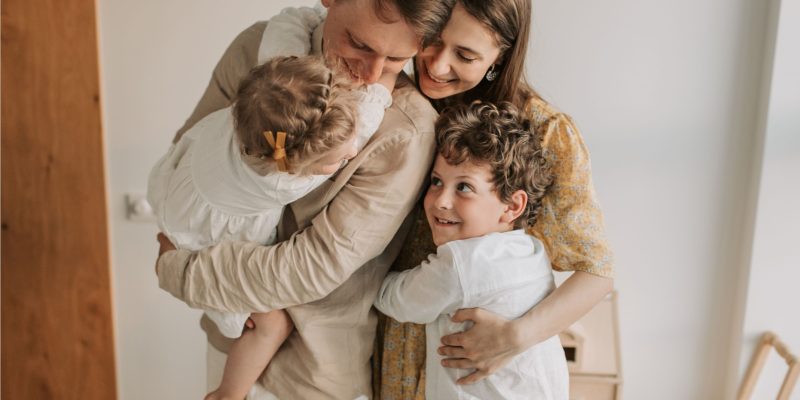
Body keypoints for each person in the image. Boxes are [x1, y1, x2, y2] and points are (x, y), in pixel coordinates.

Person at [154, 0, 453, 398]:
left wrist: (179, 270)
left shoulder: (406, 130)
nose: (372, 74)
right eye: (359, 44)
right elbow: (191, 155)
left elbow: (315, 266)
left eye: (398, 59)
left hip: (311, 375)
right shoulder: (254, 49)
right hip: (228, 340)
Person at [374, 0, 615, 397]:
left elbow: (597, 273)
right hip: (392, 349)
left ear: (500, 56)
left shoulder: (546, 132)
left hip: (473, 363)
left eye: (465, 55)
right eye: (432, 40)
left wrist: (515, 337)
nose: (437, 66)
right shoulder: (389, 98)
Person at [148, 54, 393, 400]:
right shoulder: (280, 180)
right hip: (200, 235)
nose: (353, 152)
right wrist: (384, 85)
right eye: (337, 161)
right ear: (293, 163)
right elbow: (365, 126)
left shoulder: (254, 106)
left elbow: (282, 36)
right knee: (272, 323)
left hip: (178, 196)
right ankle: (228, 394)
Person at [374, 101, 569, 399]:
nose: (441, 201)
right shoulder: (532, 251)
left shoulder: (463, 263)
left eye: (464, 187)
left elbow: (396, 299)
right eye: (436, 181)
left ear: (512, 205)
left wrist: (368, 269)